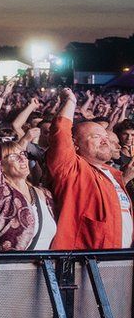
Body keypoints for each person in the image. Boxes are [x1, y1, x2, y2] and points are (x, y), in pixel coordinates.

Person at [46, 88, 131, 249]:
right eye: (96, 137)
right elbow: (60, 133)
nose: (105, 141)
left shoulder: (114, 174)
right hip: (85, 264)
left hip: (121, 262)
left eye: (105, 137)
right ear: (75, 144)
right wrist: (70, 101)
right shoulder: (71, 168)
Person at [0, 94, 57, 251]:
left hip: (44, 270)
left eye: (22, 154)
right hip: (11, 270)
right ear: (0, 166)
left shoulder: (44, 194)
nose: (22, 159)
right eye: (12, 156)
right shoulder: (2, 193)